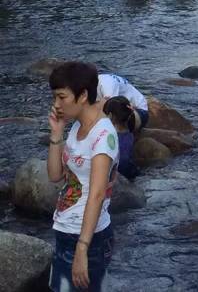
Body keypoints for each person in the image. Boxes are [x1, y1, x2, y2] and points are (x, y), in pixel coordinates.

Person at [47, 61, 119, 292]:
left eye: (61, 97)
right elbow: (56, 176)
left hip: (90, 239)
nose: (56, 104)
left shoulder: (103, 134)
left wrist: (82, 248)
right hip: (65, 230)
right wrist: (57, 133)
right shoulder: (77, 127)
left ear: (82, 95)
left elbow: (97, 194)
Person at [103, 96, 139, 181]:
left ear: (110, 116)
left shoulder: (111, 138)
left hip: (118, 178)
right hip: (131, 174)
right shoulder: (129, 134)